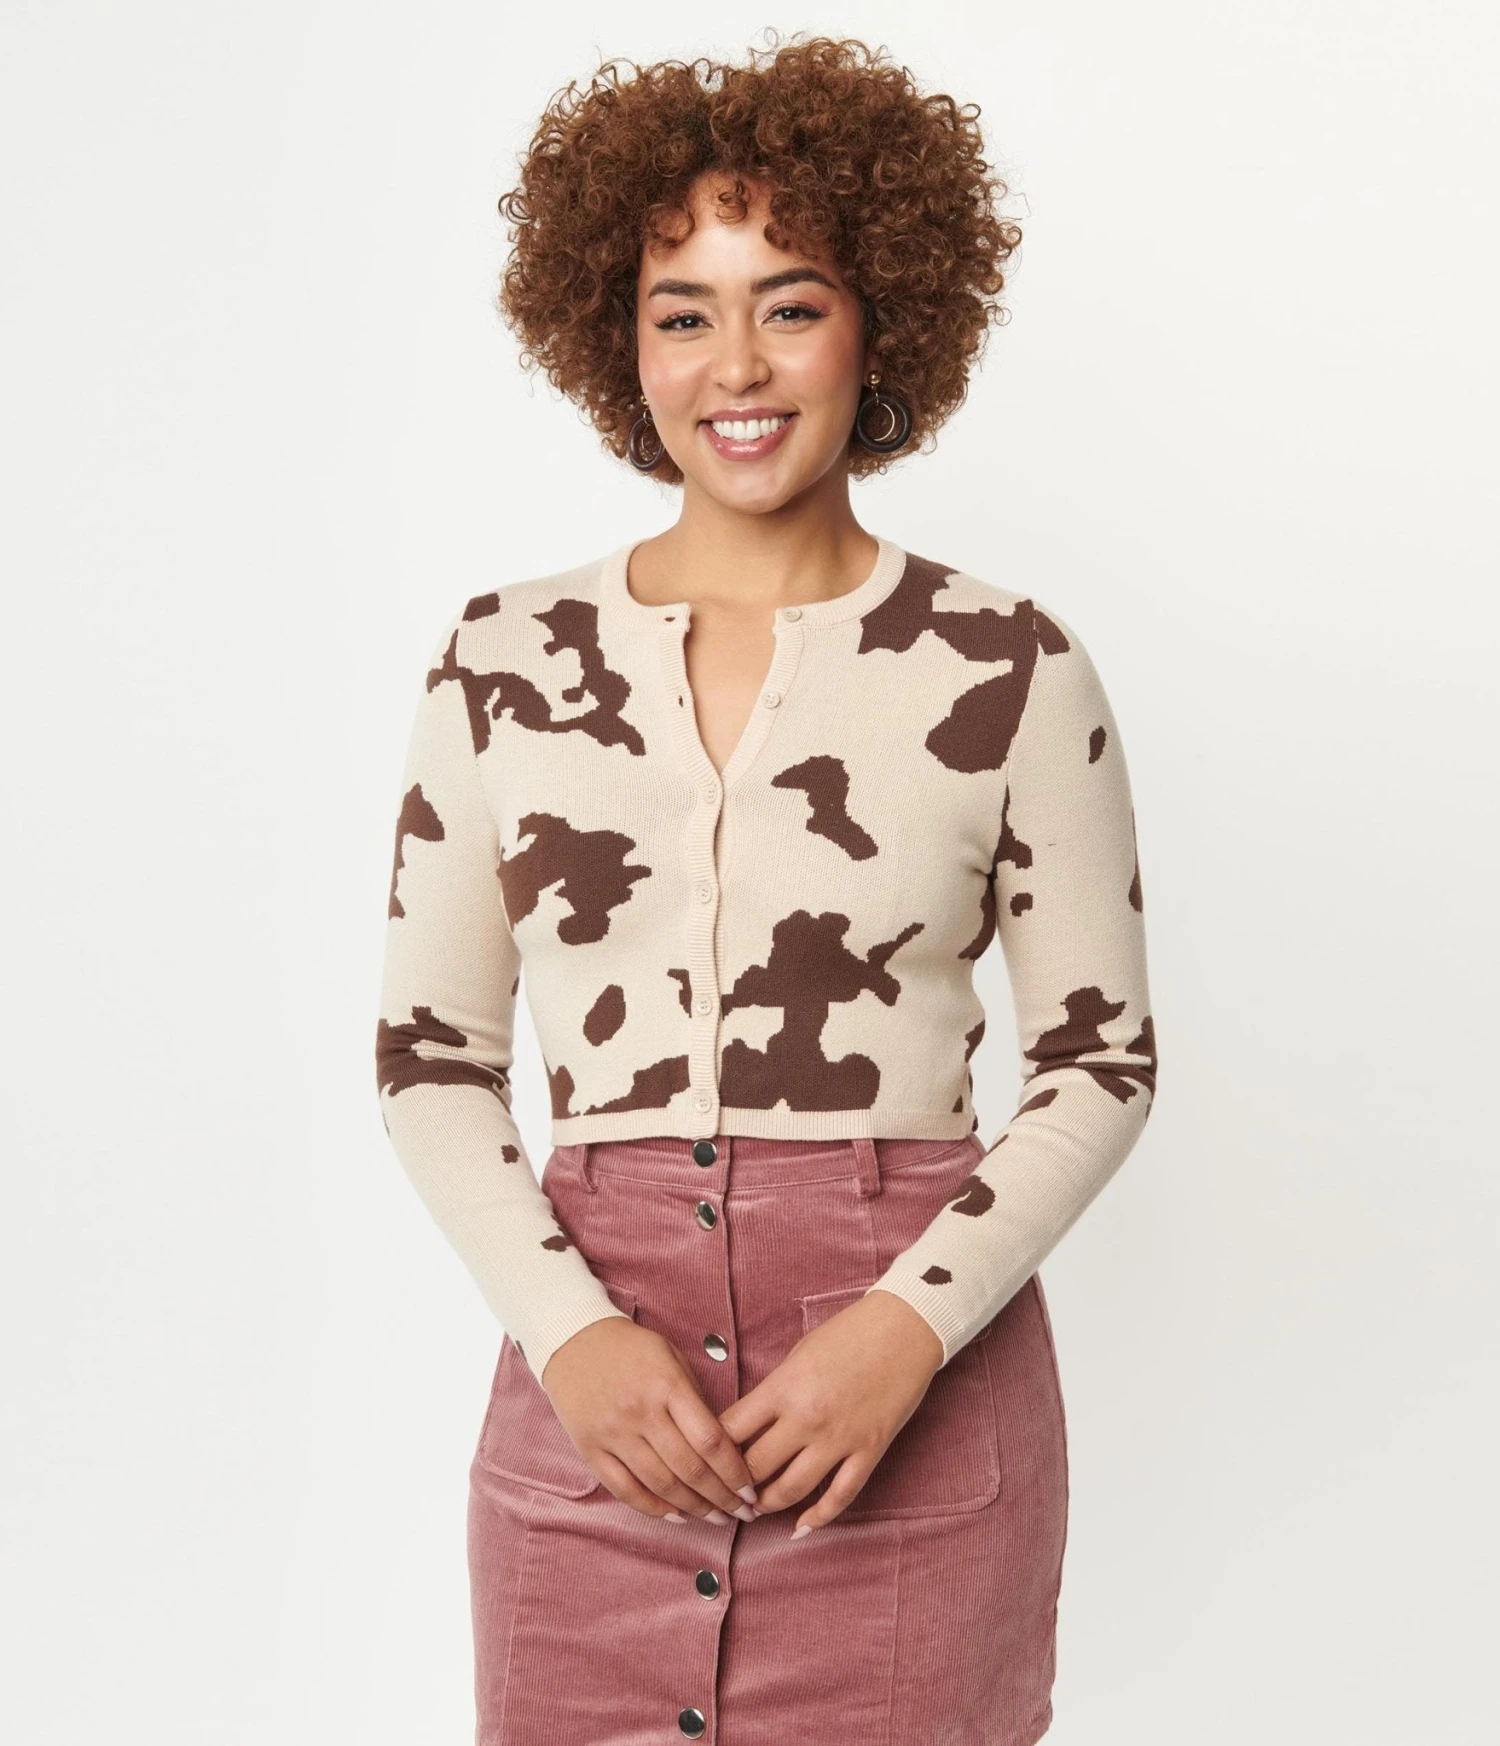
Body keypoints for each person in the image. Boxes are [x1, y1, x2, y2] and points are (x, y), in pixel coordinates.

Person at [375, 32, 1157, 1746]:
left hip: (909, 1423)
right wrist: (571, 1337)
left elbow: (1100, 1062)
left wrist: (904, 1331)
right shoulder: (501, 662)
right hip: (594, 1428)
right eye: (684, 313)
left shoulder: (1011, 667)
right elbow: (429, 1061)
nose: (736, 364)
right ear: (620, 339)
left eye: (791, 305)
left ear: (881, 322)